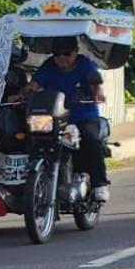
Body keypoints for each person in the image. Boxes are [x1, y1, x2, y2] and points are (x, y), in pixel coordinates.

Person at [34, 37, 110, 202]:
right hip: (55, 117)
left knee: (91, 140)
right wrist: (19, 95)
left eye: (67, 54)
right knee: (33, 138)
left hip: (84, 116)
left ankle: (99, 184)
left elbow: (95, 86)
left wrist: (98, 93)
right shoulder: (48, 66)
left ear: (76, 52)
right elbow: (33, 85)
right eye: (57, 54)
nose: (62, 58)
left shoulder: (86, 65)